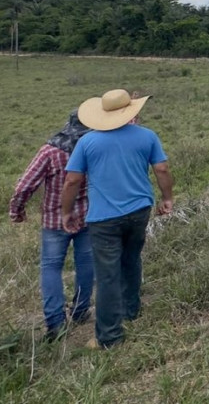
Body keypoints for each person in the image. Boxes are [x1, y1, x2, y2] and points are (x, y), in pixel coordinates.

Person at [61, 88, 174, 349]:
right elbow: (162, 168)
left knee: (108, 273)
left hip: (104, 217)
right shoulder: (147, 136)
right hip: (139, 211)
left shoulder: (87, 142)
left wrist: (66, 212)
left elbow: (72, 180)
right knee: (131, 259)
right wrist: (167, 197)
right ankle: (131, 310)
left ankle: (109, 335)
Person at [9, 110, 94, 342]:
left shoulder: (50, 151)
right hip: (88, 214)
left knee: (51, 267)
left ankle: (56, 324)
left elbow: (25, 185)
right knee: (86, 263)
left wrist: (17, 209)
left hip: (54, 220)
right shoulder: (93, 146)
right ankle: (80, 311)